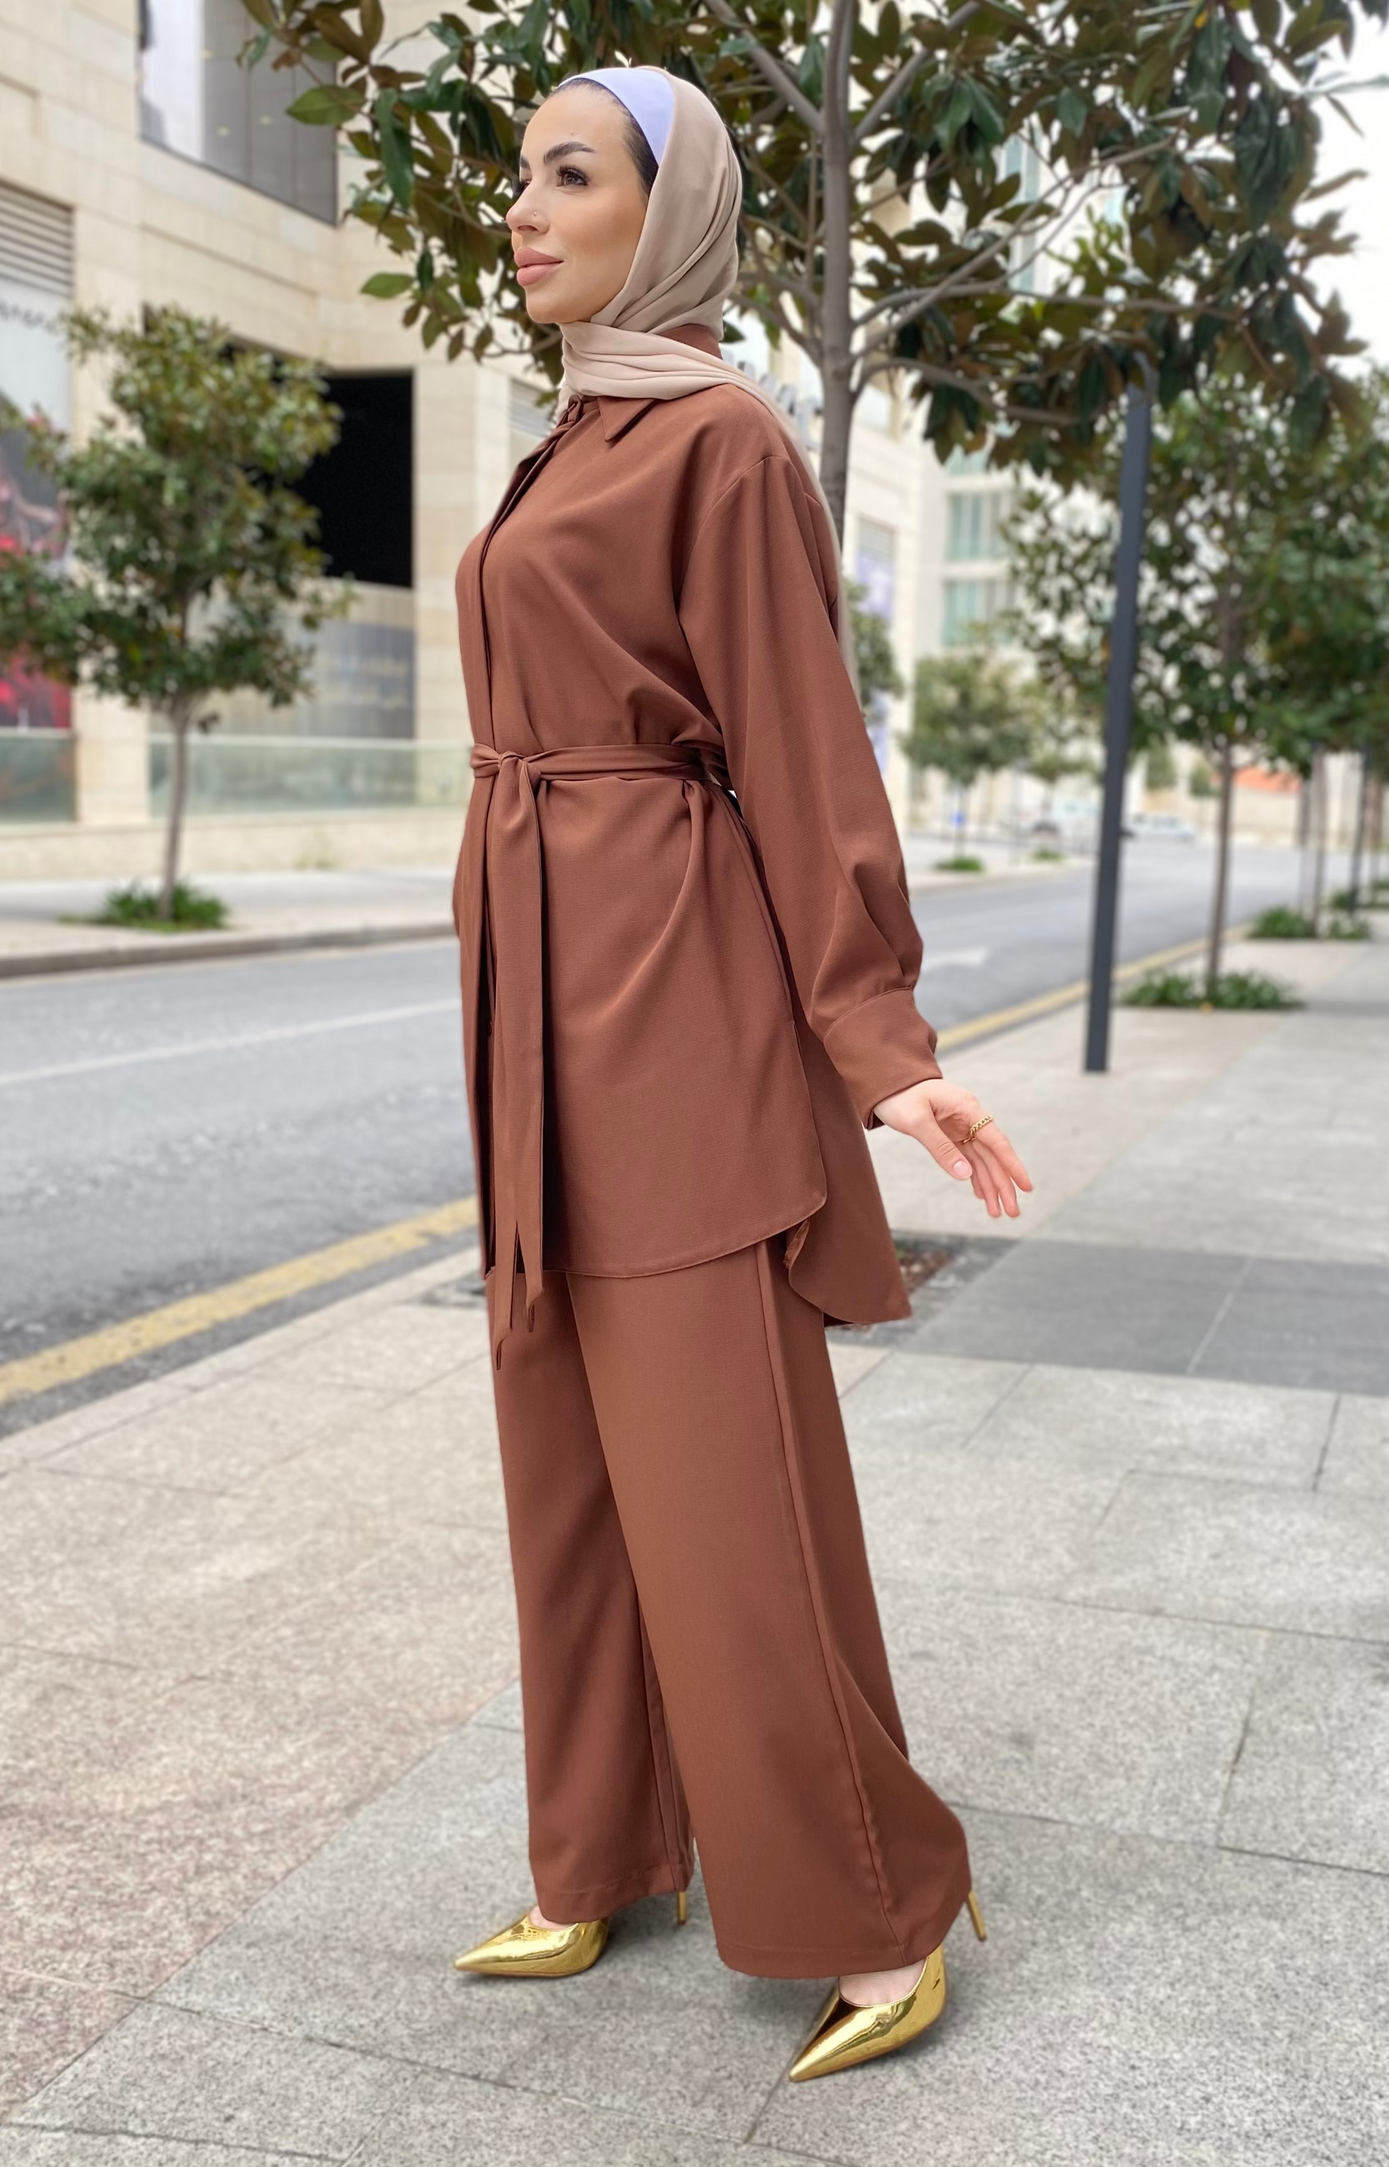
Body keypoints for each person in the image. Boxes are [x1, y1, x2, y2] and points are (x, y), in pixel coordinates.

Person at [449, 63, 1032, 2083]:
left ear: (667, 213)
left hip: (671, 1017)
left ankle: (875, 1893)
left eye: (570, 173)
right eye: (519, 172)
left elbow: (798, 751)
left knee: (723, 1483)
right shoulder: (570, 437)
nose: (523, 207)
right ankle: (606, 1848)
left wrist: (875, 1048)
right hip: (537, 997)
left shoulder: (716, 440)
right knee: (570, 1459)